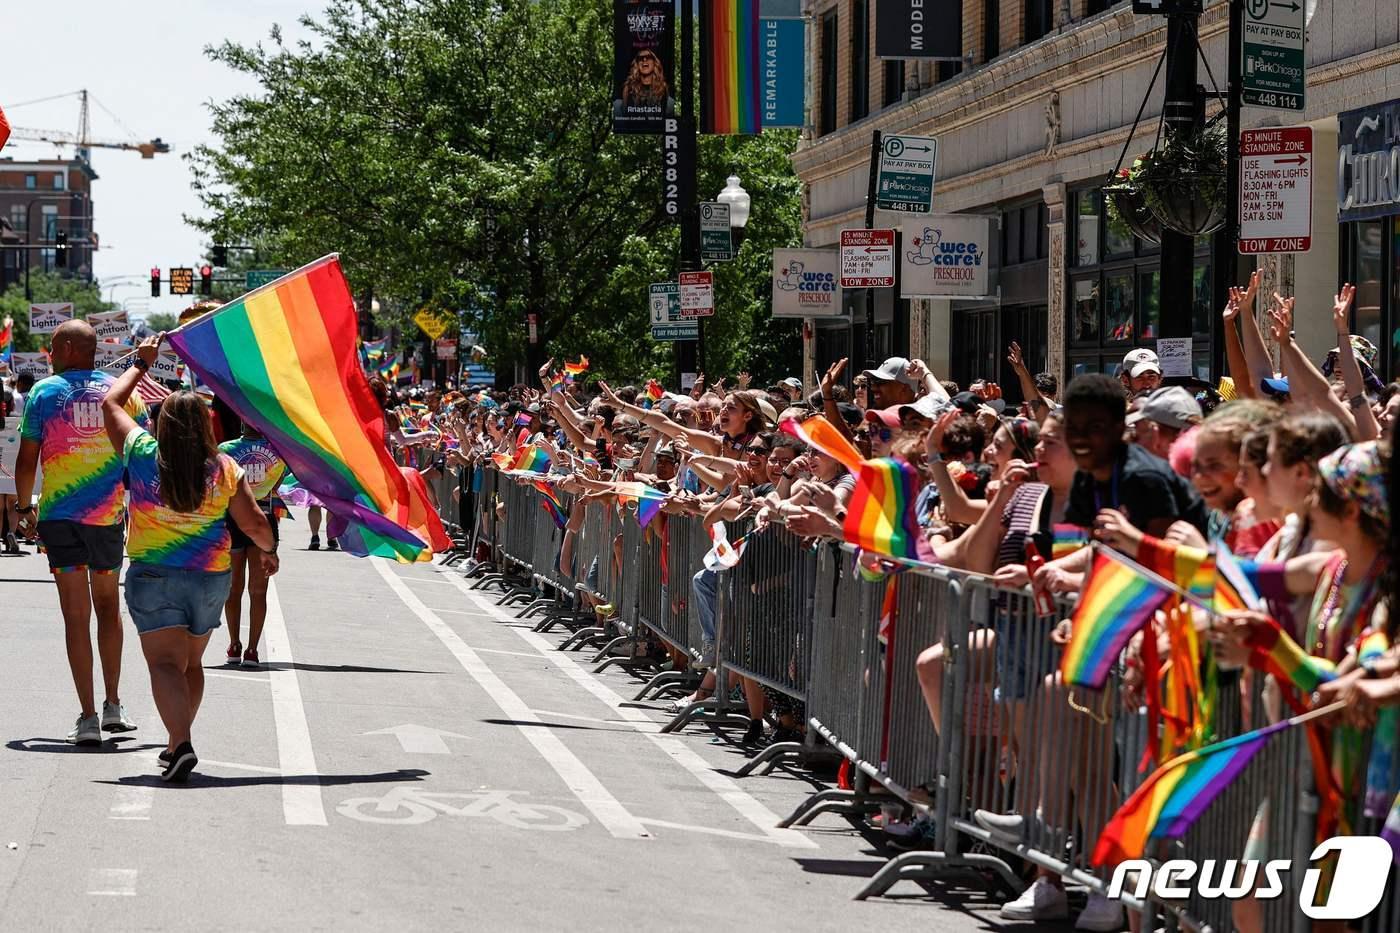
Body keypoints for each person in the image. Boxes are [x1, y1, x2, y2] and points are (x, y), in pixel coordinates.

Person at [102, 335, 279, 782]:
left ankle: (180, 742)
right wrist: (269, 552)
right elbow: (255, 523)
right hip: (209, 579)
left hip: (154, 576)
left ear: (161, 422)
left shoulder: (143, 453)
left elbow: (111, 405)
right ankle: (175, 741)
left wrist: (143, 364)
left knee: (163, 664)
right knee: (191, 665)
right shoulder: (224, 467)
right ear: (207, 425)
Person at [14, 320, 147, 745]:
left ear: (70, 348)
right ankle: (113, 705)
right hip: (107, 518)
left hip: (60, 520)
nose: (49, 355)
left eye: (53, 347)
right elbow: (142, 452)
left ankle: (88, 717)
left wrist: (22, 506)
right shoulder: (122, 392)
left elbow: (27, 458)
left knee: (76, 616)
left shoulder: (44, 393)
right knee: (108, 608)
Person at [219, 423, 288, 667]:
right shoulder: (278, 451)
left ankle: (234, 643)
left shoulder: (225, 449)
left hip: (233, 518)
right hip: (264, 516)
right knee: (258, 591)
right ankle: (252, 649)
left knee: (233, 588)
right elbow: (278, 482)